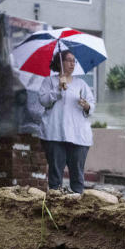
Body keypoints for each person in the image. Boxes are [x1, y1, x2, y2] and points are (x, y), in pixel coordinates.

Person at [38, 49, 95, 193]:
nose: (72, 63)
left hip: (78, 135)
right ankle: (55, 205)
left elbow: (91, 104)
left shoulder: (81, 84)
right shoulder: (49, 81)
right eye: (68, 60)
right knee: (55, 176)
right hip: (55, 134)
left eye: (73, 61)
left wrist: (86, 105)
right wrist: (58, 89)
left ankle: (77, 207)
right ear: (60, 62)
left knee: (77, 175)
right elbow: (43, 101)